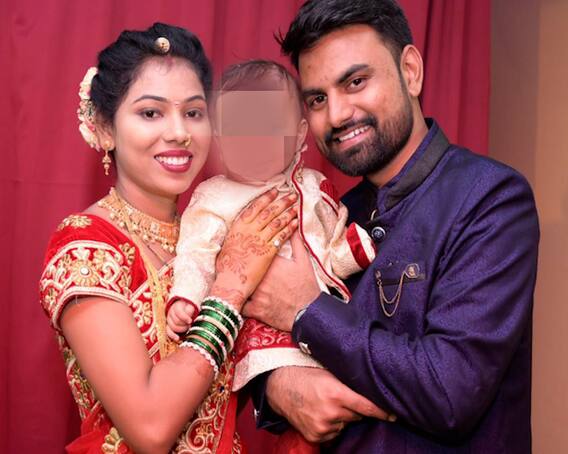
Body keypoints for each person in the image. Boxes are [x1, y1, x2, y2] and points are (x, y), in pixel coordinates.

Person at [243, 0, 540, 452]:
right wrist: (278, 387)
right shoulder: (331, 212)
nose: (337, 115)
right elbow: (267, 336)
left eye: (355, 82)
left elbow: (450, 391)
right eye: (318, 99)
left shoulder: (490, 198)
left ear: (411, 71)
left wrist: (306, 309)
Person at [39, 23, 299, 453]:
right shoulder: (85, 246)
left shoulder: (213, 235)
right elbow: (150, 428)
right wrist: (230, 288)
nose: (180, 132)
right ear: (104, 128)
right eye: (151, 113)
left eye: (194, 112)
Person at [165, 59, 377, 453]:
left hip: (330, 320)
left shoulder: (312, 186)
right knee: (304, 425)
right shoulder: (215, 196)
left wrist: (350, 253)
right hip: (265, 338)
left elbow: (327, 246)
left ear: (299, 135)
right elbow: (195, 251)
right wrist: (187, 296)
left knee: (353, 398)